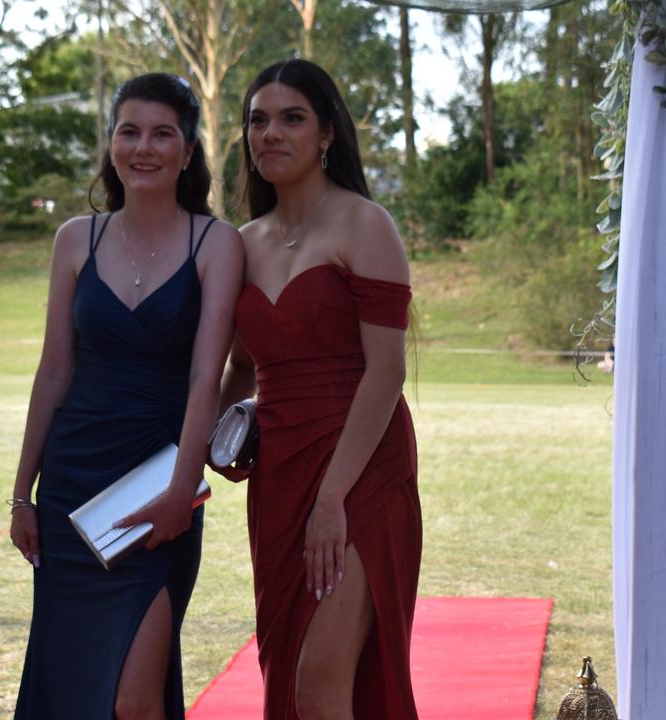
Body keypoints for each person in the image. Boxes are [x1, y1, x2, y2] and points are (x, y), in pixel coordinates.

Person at [9, 73, 242, 720]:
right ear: (111, 144)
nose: (144, 147)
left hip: (157, 489)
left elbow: (207, 378)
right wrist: (22, 494)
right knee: (77, 690)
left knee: (135, 700)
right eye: (129, 131)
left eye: (163, 133)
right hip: (70, 490)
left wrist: (181, 490)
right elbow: (54, 372)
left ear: (189, 152)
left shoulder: (216, 243)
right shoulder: (74, 240)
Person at [218, 59, 422, 719]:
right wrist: (220, 435)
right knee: (287, 673)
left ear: (327, 133)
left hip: (360, 470)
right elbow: (238, 370)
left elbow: (386, 373)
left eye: (291, 118)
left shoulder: (365, 225)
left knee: (321, 680)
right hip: (279, 476)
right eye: (258, 120)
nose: (270, 134)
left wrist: (333, 497)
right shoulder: (240, 244)